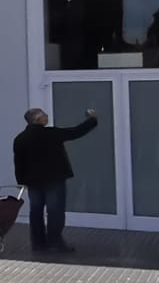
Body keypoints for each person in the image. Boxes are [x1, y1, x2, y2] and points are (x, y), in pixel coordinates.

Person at [12, 108, 98, 255]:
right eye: (44, 114)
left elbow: (18, 162)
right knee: (55, 212)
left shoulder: (20, 138)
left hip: (33, 182)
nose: (47, 116)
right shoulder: (51, 133)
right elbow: (75, 132)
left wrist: (21, 181)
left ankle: (38, 243)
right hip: (54, 179)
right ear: (37, 119)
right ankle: (55, 242)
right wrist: (92, 120)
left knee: (36, 212)